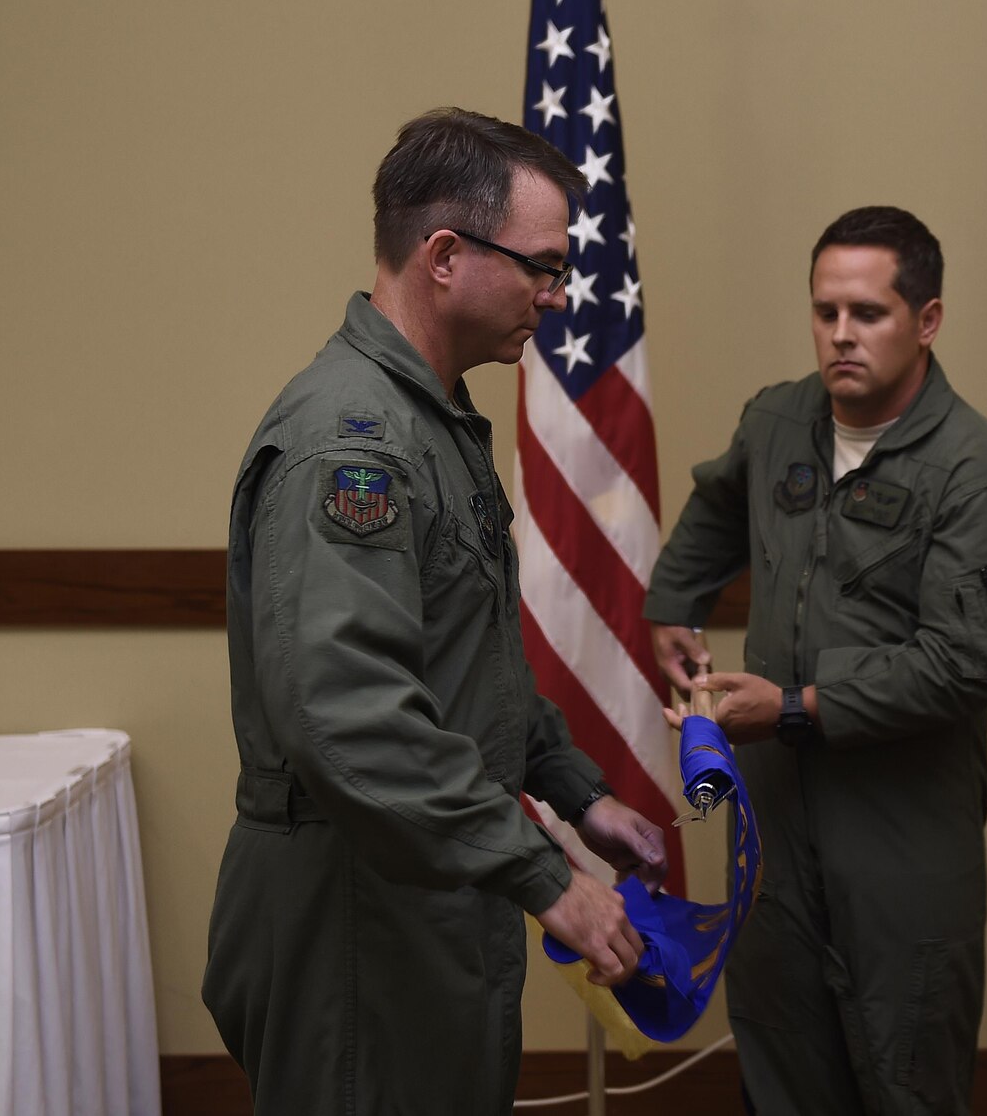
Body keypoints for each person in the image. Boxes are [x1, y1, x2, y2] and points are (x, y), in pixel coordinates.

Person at [203, 107, 668, 1116]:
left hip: (421, 888)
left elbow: (465, 657)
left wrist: (574, 790)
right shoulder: (351, 444)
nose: (555, 293)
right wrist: (543, 872)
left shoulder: (431, 421)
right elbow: (348, 712)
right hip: (356, 914)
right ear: (445, 255)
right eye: (540, 266)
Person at [645, 207, 987, 1116]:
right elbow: (717, 504)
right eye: (825, 311)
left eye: (867, 313)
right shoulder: (779, 419)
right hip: (774, 826)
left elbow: (965, 663)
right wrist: (675, 602)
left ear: (927, 319)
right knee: (780, 1069)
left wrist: (791, 706)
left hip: (901, 836)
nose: (840, 335)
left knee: (904, 1077)